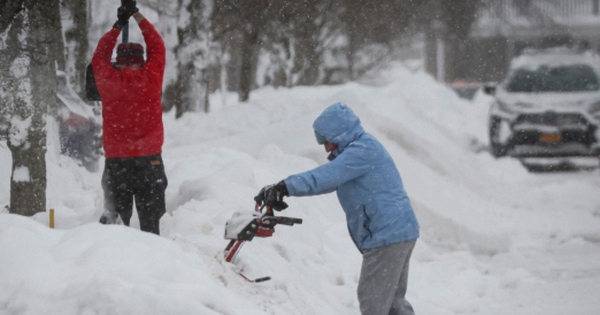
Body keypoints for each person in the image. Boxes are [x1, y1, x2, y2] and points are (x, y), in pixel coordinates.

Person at [254, 102, 420, 315]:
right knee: (393, 304)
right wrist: (283, 189)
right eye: (320, 140)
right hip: (399, 231)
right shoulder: (361, 149)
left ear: (339, 134)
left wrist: (284, 186)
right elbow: (329, 180)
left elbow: (326, 176)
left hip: (387, 234)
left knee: (373, 302)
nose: (325, 146)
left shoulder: (362, 151)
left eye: (326, 139)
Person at [92, 0, 167, 235]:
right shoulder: (151, 78)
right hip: (149, 161)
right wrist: (136, 16)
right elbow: (158, 46)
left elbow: (99, 56)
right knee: (151, 224)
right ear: (142, 61)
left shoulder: (108, 81)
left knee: (117, 229)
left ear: (118, 61)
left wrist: (118, 25)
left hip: (117, 163)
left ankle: (118, 265)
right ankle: (154, 263)